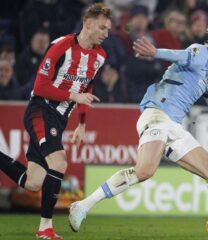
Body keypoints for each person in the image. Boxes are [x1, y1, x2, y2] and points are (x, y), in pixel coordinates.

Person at [68, 25, 208, 240]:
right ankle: (83, 205)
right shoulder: (199, 54)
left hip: (174, 127)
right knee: (144, 172)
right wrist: (155, 53)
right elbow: (178, 55)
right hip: (156, 115)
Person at [0, 3, 111, 239]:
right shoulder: (61, 46)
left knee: (33, 183)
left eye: (108, 29)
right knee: (59, 163)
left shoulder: (100, 56)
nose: (106, 33)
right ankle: (45, 228)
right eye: (102, 28)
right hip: (41, 109)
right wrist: (73, 96)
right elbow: (40, 86)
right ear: (88, 24)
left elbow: (87, 88)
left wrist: (81, 124)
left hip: (60, 119)